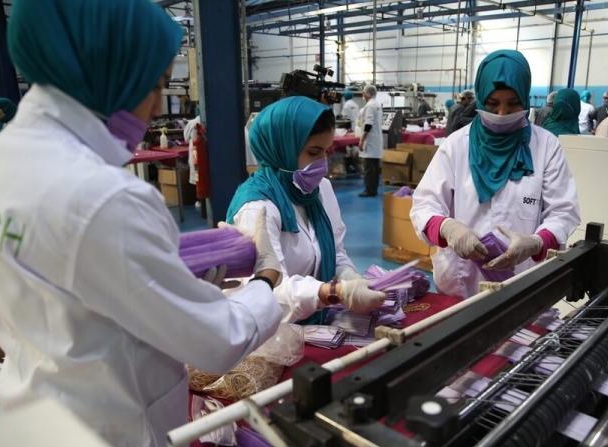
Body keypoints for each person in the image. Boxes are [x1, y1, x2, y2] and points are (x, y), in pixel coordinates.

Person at [0, 1, 285, 447]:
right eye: (156, 84)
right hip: (109, 444)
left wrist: (165, 277)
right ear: (109, 68)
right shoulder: (102, 196)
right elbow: (218, 341)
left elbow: (71, 280)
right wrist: (265, 279)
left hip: (33, 414)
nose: (158, 107)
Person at [410, 50, 580, 299]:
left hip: (521, 281)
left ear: (525, 98)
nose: (501, 113)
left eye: (512, 104)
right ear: (480, 98)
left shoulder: (546, 146)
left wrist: (537, 242)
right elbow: (425, 205)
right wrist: (448, 228)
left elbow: (563, 211)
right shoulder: (456, 145)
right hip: (460, 281)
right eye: (492, 104)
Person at [227, 97, 386, 324]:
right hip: (271, 332)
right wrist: (333, 292)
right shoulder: (257, 208)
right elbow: (266, 293)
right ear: (281, 149)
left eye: (326, 152)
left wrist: (349, 276)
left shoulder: (320, 189)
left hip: (313, 321)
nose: (323, 163)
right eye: (313, 152)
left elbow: (335, 251)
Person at [358, 84, 383, 197]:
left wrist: (362, 140)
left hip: (370, 140)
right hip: (376, 140)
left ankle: (369, 190)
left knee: (369, 168)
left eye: (364, 93)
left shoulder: (369, 106)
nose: (363, 95)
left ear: (368, 94)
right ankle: (373, 189)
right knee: (374, 168)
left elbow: (368, 124)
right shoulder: (377, 104)